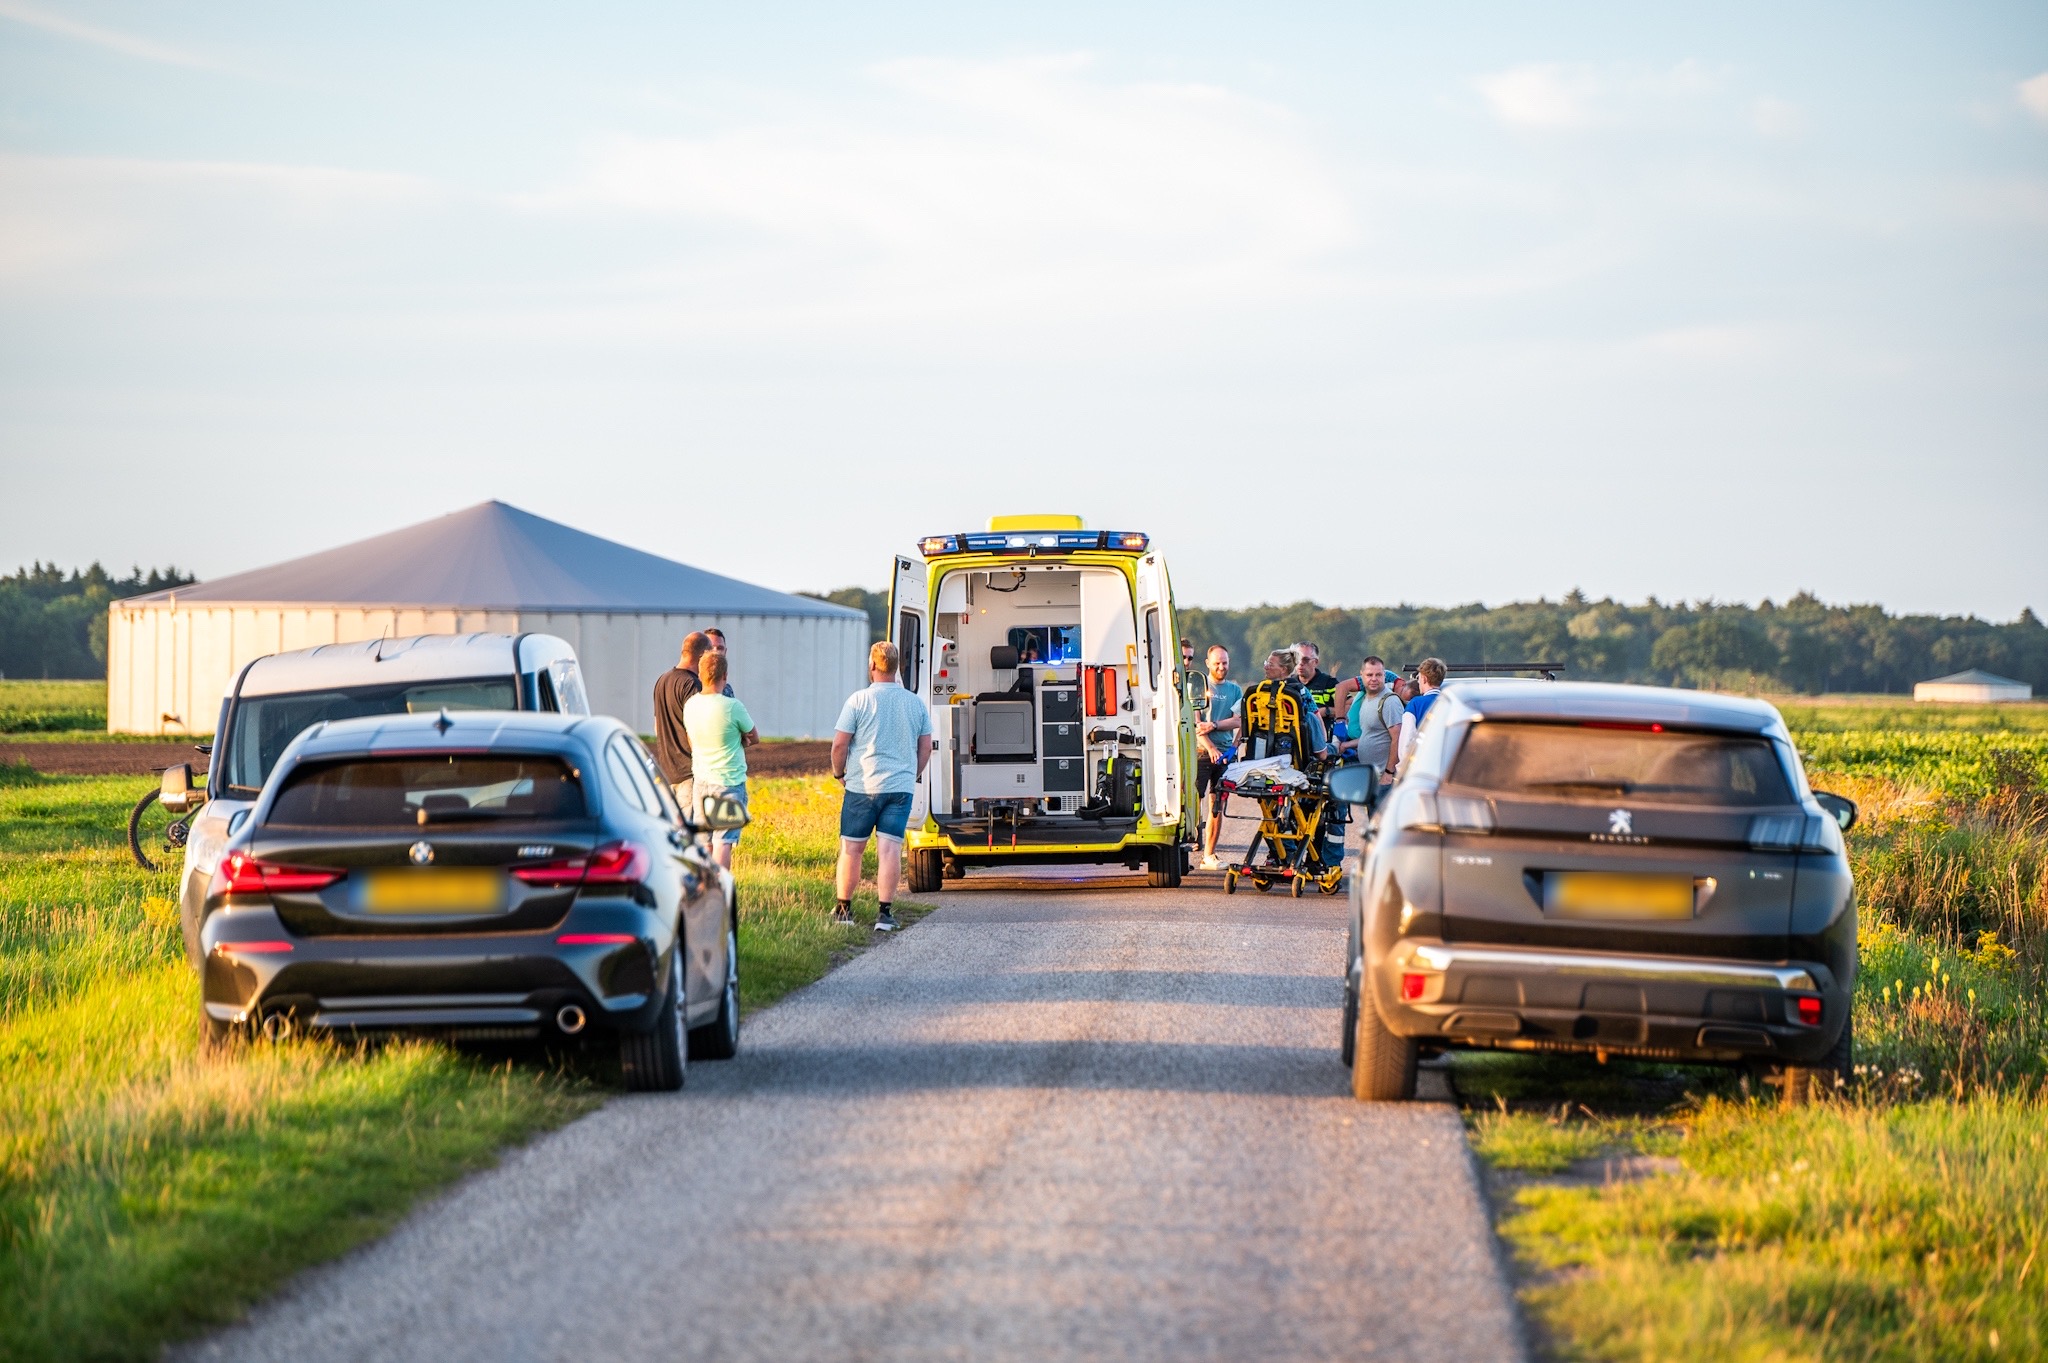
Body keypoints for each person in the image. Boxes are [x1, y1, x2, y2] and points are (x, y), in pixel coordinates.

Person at [831, 641, 934, 932]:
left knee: (852, 850)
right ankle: (885, 914)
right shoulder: (914, 702)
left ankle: (844, 911)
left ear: (873, 666)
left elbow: (840, 743)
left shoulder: (858, 700)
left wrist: (839, 772)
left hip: (863, 786)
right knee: (889, 850)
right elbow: (926, 747)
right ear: (896, 666)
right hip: (899, 788)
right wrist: (912, 774)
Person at [682, 650, 755, 871]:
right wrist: (741, 739)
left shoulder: (691, 705)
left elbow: (691, 738)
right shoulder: (733, 706)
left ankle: (705, 889)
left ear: (701, 675)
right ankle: (721, 891)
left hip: (701, 780)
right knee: (723, 841)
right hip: (728, 780)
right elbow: (754, 735)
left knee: (705, 842)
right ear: (725, 675)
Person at [1193, 646, 1244, 871]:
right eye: (1217, 663)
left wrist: (1231, 745)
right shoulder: (1198, 686)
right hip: (1200, 752)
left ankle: (1209, 855)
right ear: (1207, 663)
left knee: (1218, 804)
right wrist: (1211, 747)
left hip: (1225, 754)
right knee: (1194, 801)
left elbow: (1239, 721)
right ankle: (1188, 846)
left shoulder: (1234, 690)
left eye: (1224, 662)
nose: (1221, 667)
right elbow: (1195, 724)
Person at [652, 631, 711, 811]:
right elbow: (699, 729)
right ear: (701, 655)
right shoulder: (692, 685)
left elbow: (656, 728)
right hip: (689, 773)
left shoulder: (662, 681)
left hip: (667, 773)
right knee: (693, 834)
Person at [1338, 656, 1405, 805]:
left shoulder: (1389, 701)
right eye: (1369, 675)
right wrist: (1347, 745)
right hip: (1371, 778)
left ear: (1384, 676)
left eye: (1378, 675)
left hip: (1385, 779)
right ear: (1361, 676)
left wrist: (1389, 773)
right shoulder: (1366, 700)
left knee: (1381, 825)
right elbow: (1372, 735)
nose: (1374, 679)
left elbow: (1398, 738)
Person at [1396, 657, 1447, 767]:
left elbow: (1406, 743)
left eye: (1418, 678)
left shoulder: (1415, 704)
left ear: (1424, 678)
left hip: (1422, 767)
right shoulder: (1449, 702)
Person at [1294, 641, 1340, 723]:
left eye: (1305, 660)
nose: (1300, 663)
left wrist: (1326, 711)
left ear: (1315, 662)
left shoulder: (1329, 683)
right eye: (1296, 659)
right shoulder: (1289, 684)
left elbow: (1349, 706)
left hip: (1321, 733)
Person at [703, 628, 737, 696]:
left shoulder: (728, 690)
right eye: (711, 648)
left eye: (720, 648)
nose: (716, 652)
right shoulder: (693, 685)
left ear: (725, 652)